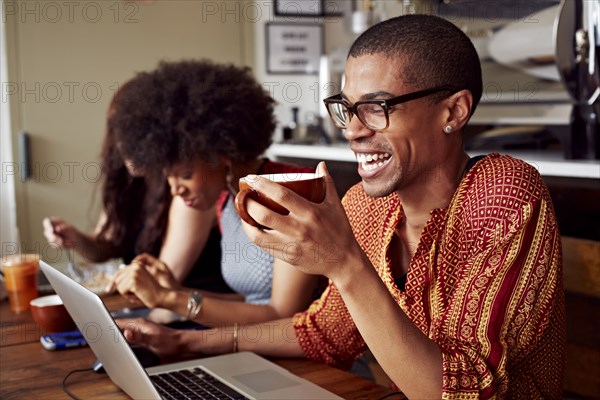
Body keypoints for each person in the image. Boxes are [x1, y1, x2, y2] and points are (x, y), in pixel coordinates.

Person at [117, 15, 566, 399]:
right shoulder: (369, 208)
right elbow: (322, 332)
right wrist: (183, 343)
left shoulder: (503, 192)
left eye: (375, 107)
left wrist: (343, 261)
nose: (352, 130)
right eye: (346, 108)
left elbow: (462, 392)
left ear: (453, 112)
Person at [105, 59, 322, 327]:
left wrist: (168, 299)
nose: (175, 189)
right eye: (167, 176)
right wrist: (177, 292)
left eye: (185, 174)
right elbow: (251, 303)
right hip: (255, 350)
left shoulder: (291, 191)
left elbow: (283, 315)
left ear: (219, 152)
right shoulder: (226, 201)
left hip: (316, 362)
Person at [42, 81, 227, 289]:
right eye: (119, 133)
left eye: (136, 134)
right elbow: (106, 247)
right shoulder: (127, 180)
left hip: (189, 312)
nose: (124, 145)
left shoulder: (188, 189)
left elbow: (162, 283)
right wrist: (74, 238)